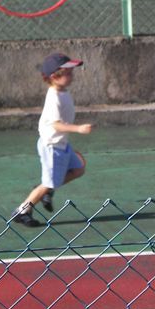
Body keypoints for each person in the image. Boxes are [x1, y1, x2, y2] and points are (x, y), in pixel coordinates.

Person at [11, 53, 92, 227]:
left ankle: (46, 188)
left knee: (78, 170)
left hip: (61, 145)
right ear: (55, 77)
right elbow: (56, 125)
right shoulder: (54, 97)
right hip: (52, 147)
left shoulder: (63, 91)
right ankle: (22, 211)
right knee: (47, 183)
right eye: (68, 73)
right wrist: (78, 129)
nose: (72, 76)